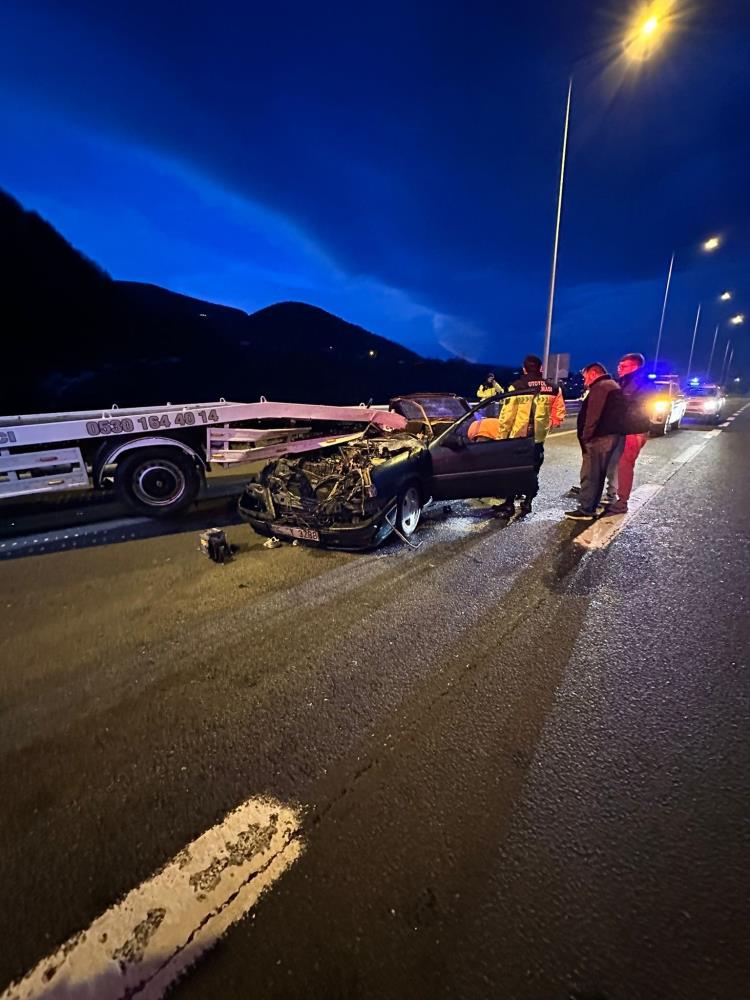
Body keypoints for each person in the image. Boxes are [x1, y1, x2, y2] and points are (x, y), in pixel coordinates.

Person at [493, 354, 566, 516]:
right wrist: (547, 426)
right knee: (533, 470)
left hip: (518, 438)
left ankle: (509, 504)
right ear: (541, 369)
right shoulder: (553, 388)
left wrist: (501, 440)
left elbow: (507, 417)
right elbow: (559, 413)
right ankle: (528, 503)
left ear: (524, 369)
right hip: (538, 438)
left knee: (514, 470)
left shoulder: (517, 386)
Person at [565, 363, 625, 521]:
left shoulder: (600, 388)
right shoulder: (612, 385)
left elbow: (593, 416)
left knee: (590, 475)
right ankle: (591, 505)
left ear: (592, 374)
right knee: (598, 475)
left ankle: (586, 509)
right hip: (610, 438)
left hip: (599, 440)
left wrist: (586, 438)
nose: (584, 380)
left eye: (585, 376)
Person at [602, 352, 652, 515]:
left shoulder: (642, 384)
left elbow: (633, 407)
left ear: (635, 367)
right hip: (623, 429)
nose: (619, 369)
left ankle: (622, 501)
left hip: (633, 430)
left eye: (623, 366)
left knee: (625, 465)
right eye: (619, 366)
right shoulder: (624, 382)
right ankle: (613, 495)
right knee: (614, 463)